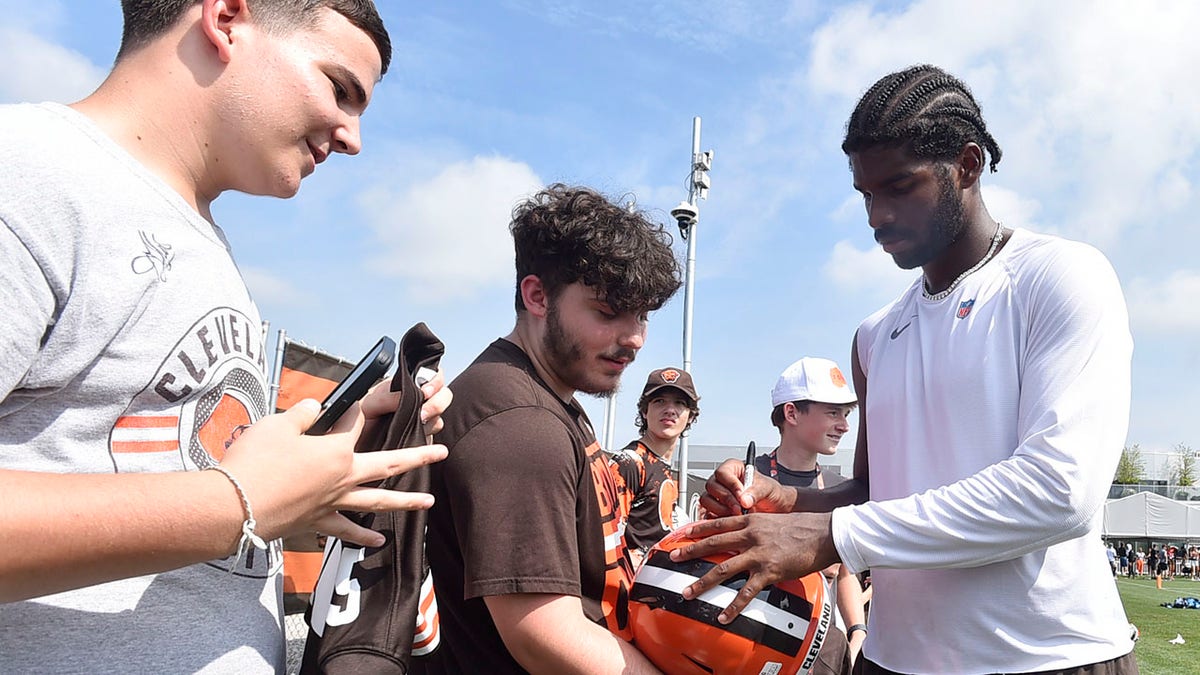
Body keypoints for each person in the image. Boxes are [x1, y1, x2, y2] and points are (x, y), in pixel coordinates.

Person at [0, 2, 451, 673]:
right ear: (228, 18)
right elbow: (229, 502)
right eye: (339, 88)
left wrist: (315, 471)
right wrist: (238, 501)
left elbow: (162, 488)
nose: (353, 137)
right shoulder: (28, 175)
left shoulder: (200, 237)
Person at [677, 64, 1136, 673]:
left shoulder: (1059, 277)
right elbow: (875, 491)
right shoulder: (874, 335)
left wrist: (833, 538)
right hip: (892, 659)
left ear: (967, 165)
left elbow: (1060, 492)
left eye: (899, 187)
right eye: (866, 194)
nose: (876, 216)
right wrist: (784, 498)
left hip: (1048, 656)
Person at [424, 184, 681, 674]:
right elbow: (544, 635)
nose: (634, 338)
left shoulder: (552, 398)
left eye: (643, 315)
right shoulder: (519, 423)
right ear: (537, 296)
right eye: (608, 312)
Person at [752, 356, 866, 672]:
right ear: (791, 413)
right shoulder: (748, 481)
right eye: (833, 412)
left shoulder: (843, 489)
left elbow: (845, 573)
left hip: (825, 649)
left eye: (845, 414)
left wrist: (857, 631)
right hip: (757, 644)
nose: (844, 425)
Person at [610, 367, 700, 568]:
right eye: (659, 401)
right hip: (627, 584)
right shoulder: (629, 462)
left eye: (680, 403)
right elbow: (607, 537)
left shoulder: (663, 467)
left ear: (691, 416)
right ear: (644, 411)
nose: (670, 410)